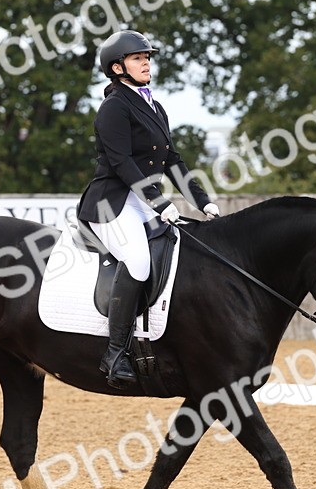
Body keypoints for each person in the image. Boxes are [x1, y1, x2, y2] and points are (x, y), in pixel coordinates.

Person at [76, 30, 220, 388]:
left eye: (148, 57)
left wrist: (204, 202)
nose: (146, 63)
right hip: (111, 203)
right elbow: (123, 163)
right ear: (117, 67)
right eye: (138, 58)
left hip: (139, 201)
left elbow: (173, 161)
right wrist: (161, 203)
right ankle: (114, 353)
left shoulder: (154, 106)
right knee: (139, 261)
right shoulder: (113, 108)